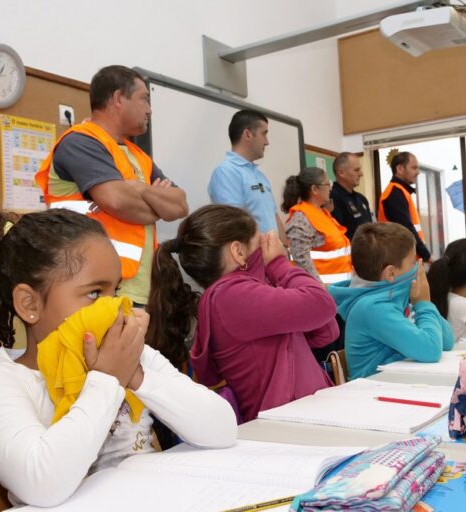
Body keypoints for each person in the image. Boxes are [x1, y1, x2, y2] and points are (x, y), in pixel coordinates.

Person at [0, 208, 236, 507]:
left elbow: (221, 429)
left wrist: (136, 375)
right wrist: (108, 379)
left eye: (116, 291)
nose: (114, 308)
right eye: (94, 294)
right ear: (30, 303)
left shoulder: (128, 355)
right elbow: (43, 485)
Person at [148, 205, 338, 423]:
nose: (269, 246)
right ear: (238, 252)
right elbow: (322, 304)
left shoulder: (245, 292)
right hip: (284, 426)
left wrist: (277, 276)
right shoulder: (230, 296)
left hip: (298, 416)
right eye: (261, 241)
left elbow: (326, 331)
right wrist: (279, 264)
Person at [35, 65, 188, 307]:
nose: (149, 110)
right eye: (144, 100)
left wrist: (138, 189)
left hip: (137, 289)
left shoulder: (137, 155)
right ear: (118, 98)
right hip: (93, 287)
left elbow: (179, 205)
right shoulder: (80, 142)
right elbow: (115, 200)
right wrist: (154, 198)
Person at [329, 223, 454, 379]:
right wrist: (424, 304)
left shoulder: (396, 297)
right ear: (391, 273)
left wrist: (422, 304)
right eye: (413, 262)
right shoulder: (373, 308)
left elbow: (447, 341)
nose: (418, 267)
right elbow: (432, 350)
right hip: (372, 395)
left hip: (397, 385)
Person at [208, 109, 287, 244]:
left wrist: (285, 249)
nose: (267, 142)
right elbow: (236, 224)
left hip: (273, 258)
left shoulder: (259, 175)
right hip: (252, 260)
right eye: (264, 134)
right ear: (248, 134)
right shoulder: (226, 172)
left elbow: (273, 216)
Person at [282, 167, 353, 284]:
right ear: (314, 189)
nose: (330, 188)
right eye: (327, 184)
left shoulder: (324, 213)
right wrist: (320, 289)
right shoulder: (300, 219)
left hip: (340, 289)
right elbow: (301, 261)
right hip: (324, 292)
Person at [377, 151, 431, 261]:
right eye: (414, 168)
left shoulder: (401, 191)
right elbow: (406, 230)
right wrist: (427, 256)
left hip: (407, 260)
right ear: (400, 169)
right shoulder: (394, 193)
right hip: (400, 262)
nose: (418, 172)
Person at [329, 152, 372, 240]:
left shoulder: (361, 199)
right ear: (341, 173)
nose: (361, 174)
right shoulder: (332, 198)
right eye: (356, 170)